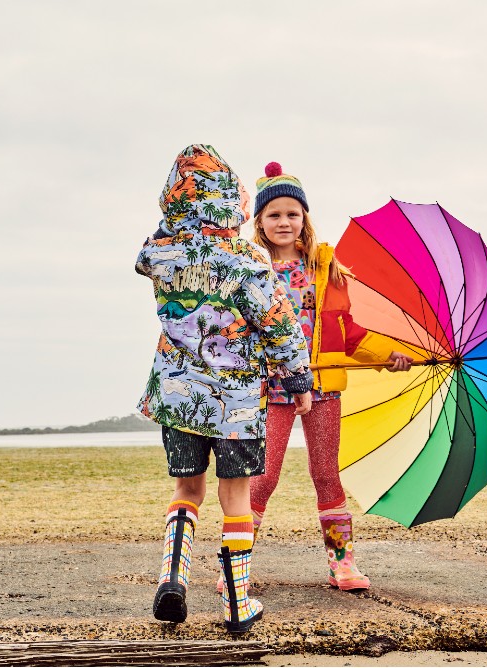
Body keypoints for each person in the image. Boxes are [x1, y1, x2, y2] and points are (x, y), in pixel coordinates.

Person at [135, 145, 314, 633]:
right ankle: (238, 604)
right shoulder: (247, 260)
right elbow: (277, 323)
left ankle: (173, 577)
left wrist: (174, 222)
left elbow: (147, 251)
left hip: (177, 398)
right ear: (231, 202)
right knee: (234, 499)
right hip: (236, 403)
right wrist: (298, 378)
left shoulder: (160, 254)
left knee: (186, 489)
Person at [248, 162, 413, 591]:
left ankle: (343, 563)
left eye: (292, 214)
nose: (284, 222)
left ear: (305, 218)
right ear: (260, 223)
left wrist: (387, 354)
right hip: (271, 387)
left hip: (323, 386)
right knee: (264, 476)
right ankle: (236, 563)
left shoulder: (327, 269)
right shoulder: (250, 270)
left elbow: (349, 331)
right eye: (274, 215)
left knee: (326, 474)